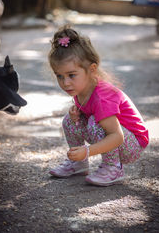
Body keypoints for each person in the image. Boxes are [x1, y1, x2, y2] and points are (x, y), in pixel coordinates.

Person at [48, 25, 149, 186]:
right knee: (70, 119)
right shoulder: (81, 89)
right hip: (116, 136)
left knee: (95, 123)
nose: (65, 83)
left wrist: (87, 151)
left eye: (71, 75)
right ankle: (79, 164)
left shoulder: (102, 97)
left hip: (132, 144)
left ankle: (113, 168)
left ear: (92, 69)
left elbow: (117, 136)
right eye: (60, 76)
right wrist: (77, 116)